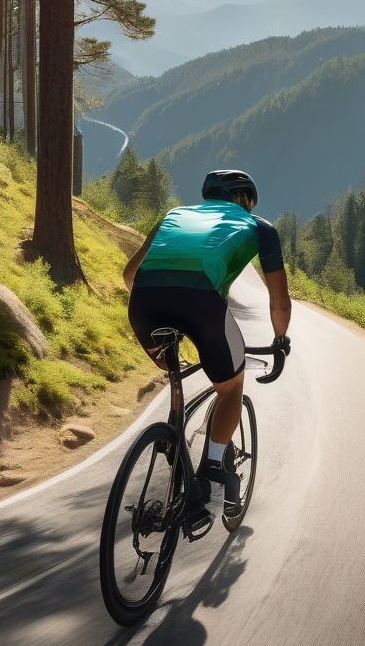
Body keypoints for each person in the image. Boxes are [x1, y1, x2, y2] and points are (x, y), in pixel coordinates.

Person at [124, 170, 292, 517]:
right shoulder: (259, 226)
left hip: (143, 304)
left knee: (173, 371)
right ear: (245, 200)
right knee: (231, 386)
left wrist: (160, 309)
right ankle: (212, 465)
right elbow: (279, 302)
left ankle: (173, 439)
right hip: (201, 303)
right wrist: (279, 341)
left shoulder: (174, 215)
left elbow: (129, 274)